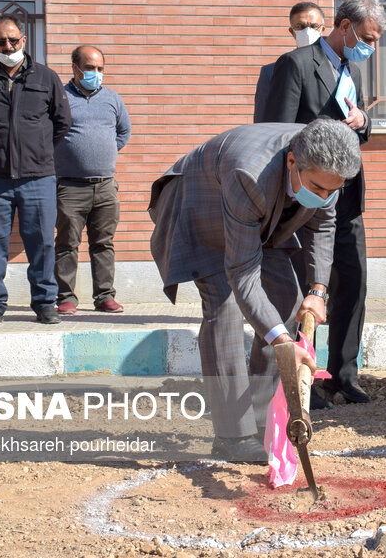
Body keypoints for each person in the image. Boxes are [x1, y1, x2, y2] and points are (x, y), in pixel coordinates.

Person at [148, 119, 362, 462]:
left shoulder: (326, 167)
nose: (323, 198)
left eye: (331, 191)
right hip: (202, 210)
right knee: (226, 309)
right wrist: (281, 343)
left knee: (287, 304)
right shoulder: (249, 172)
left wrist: (318, 291)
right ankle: (233, 435)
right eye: (317, 188)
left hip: (263, 217)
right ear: (292, 162)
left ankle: (263, 420)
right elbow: (242, 273)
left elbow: (324, 223)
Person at [261, 0, 386, 405]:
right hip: (306, 199)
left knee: (353, 283)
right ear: (345, 26)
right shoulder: (295, 65)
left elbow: (359, 124)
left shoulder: (351, 69)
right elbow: (277, 133)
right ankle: (304, 378)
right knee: (303, 291)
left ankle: (344, 375)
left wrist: (363, 121)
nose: (371, 46)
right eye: (367, 37)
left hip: (347, 197)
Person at [0, 13, 71, 327]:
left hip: (38, 177)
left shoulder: (46, 78)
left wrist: (37, 150)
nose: (8, 45)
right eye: (0, 41)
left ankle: (44, 303)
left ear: (23, 40)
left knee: (42, 242)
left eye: (13, 39)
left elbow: (62, 123)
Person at [54, 45, 132, 315]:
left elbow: (123, 133)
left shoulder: (112, 99)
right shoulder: (60, 98)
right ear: (75, 68)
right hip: (70, 187)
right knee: (66, 245)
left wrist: (101, 154)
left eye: (100, 69)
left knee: (103, 244)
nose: (95, 73)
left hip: (105, 186)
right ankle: (66, 298)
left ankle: (104, 297)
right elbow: (47, 135)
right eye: (89, 68)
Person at [254, 2, 326, 122]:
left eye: (314, 26)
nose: (307, 32)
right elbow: (261, 121)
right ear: (292, 31)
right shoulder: (270, 72)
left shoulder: (335, 67)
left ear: (322, 30)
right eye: (300, 26)